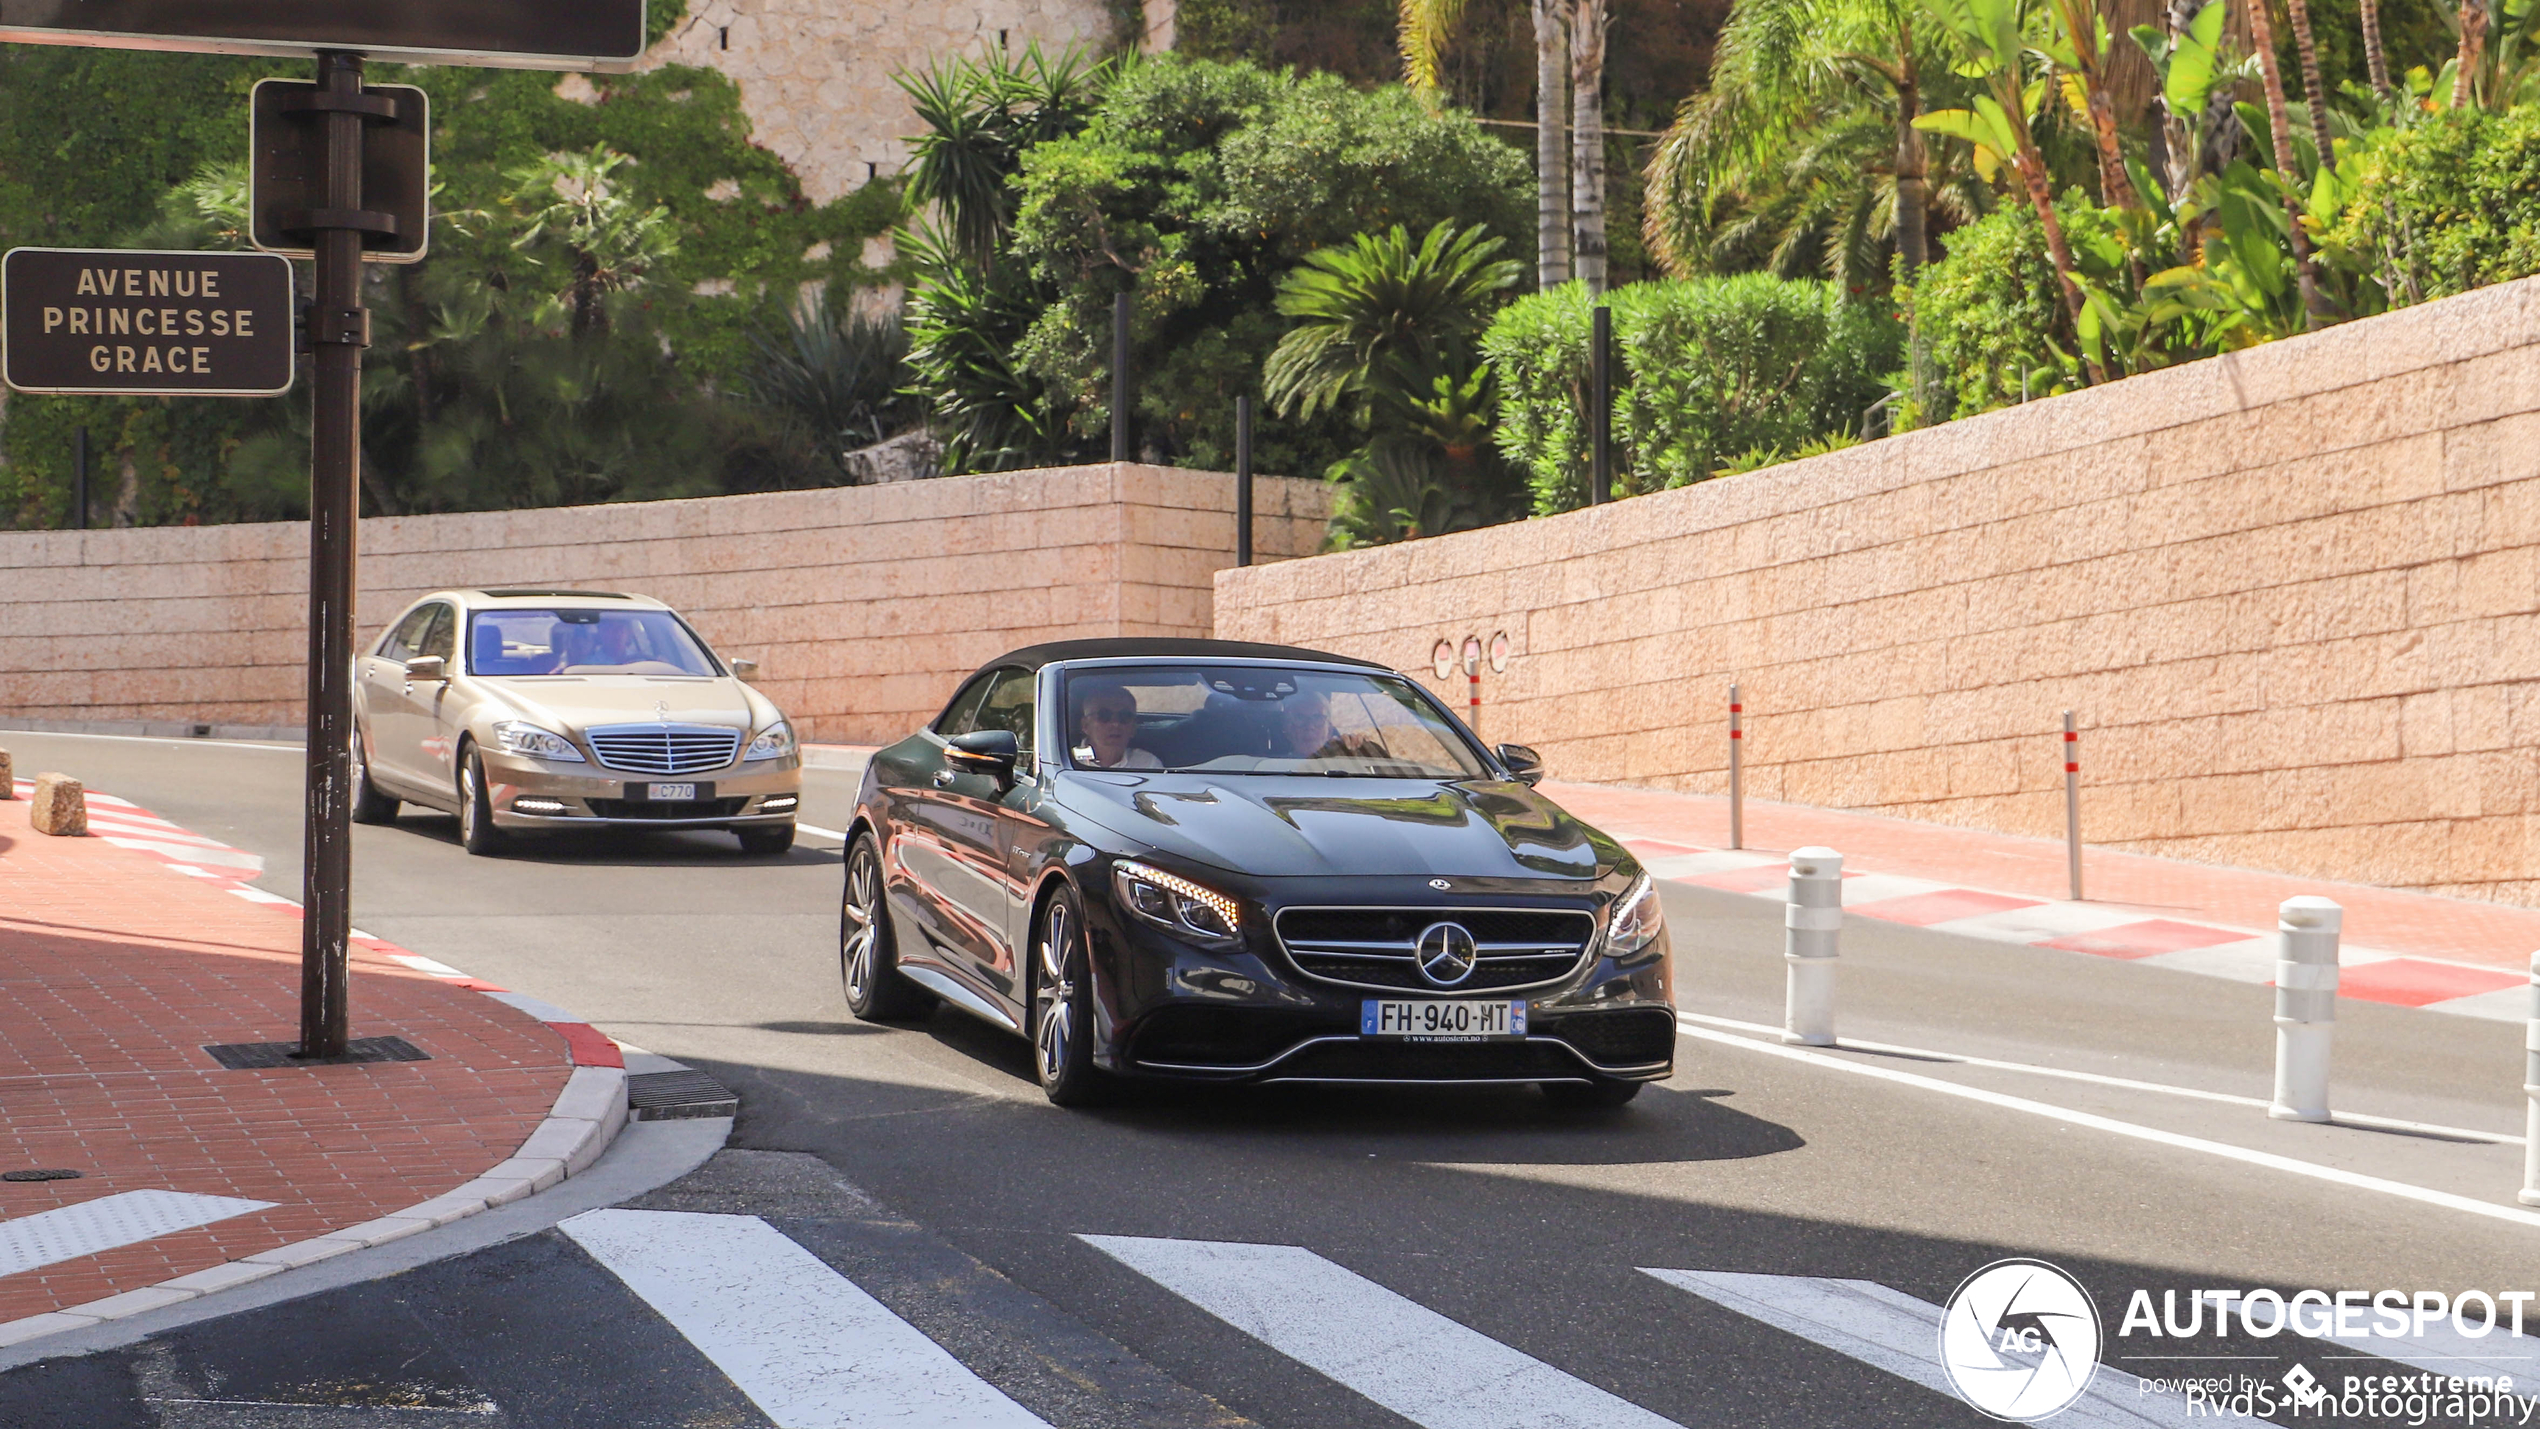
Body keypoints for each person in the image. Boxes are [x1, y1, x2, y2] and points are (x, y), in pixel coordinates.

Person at [1076, 681, 1161, 769]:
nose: (1115, 724)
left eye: (1124, 716)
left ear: (1133, 727)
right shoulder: (1067, 761)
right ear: (1085, 725)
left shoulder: (1148, 764)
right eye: (1104, 715)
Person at [1277, 690, 1383, 761]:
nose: (1310, 726)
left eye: (1318, 718)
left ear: (1330, 729)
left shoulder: (1347, 760)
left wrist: (1359, 747)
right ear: (1287, 728)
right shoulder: (1273, 767)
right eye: (1300, 718)